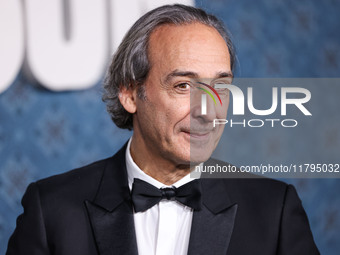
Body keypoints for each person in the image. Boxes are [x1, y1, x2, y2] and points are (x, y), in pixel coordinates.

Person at [6, 4, 319, 255]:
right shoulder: (51, 209)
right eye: (183, 86)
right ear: (129, 93)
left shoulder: (274, 210)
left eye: (220, 87)